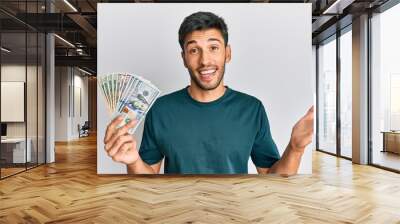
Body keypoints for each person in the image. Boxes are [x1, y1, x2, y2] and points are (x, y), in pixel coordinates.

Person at [104, 11, 314, 174]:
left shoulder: (252, 109)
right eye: (194, 50)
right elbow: (147, 179)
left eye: (213, 47)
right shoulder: (160, 109)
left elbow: (271, 176)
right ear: (184, 57)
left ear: (227, 53)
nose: (205, 61)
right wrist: (133, 161)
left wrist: (295, 148)